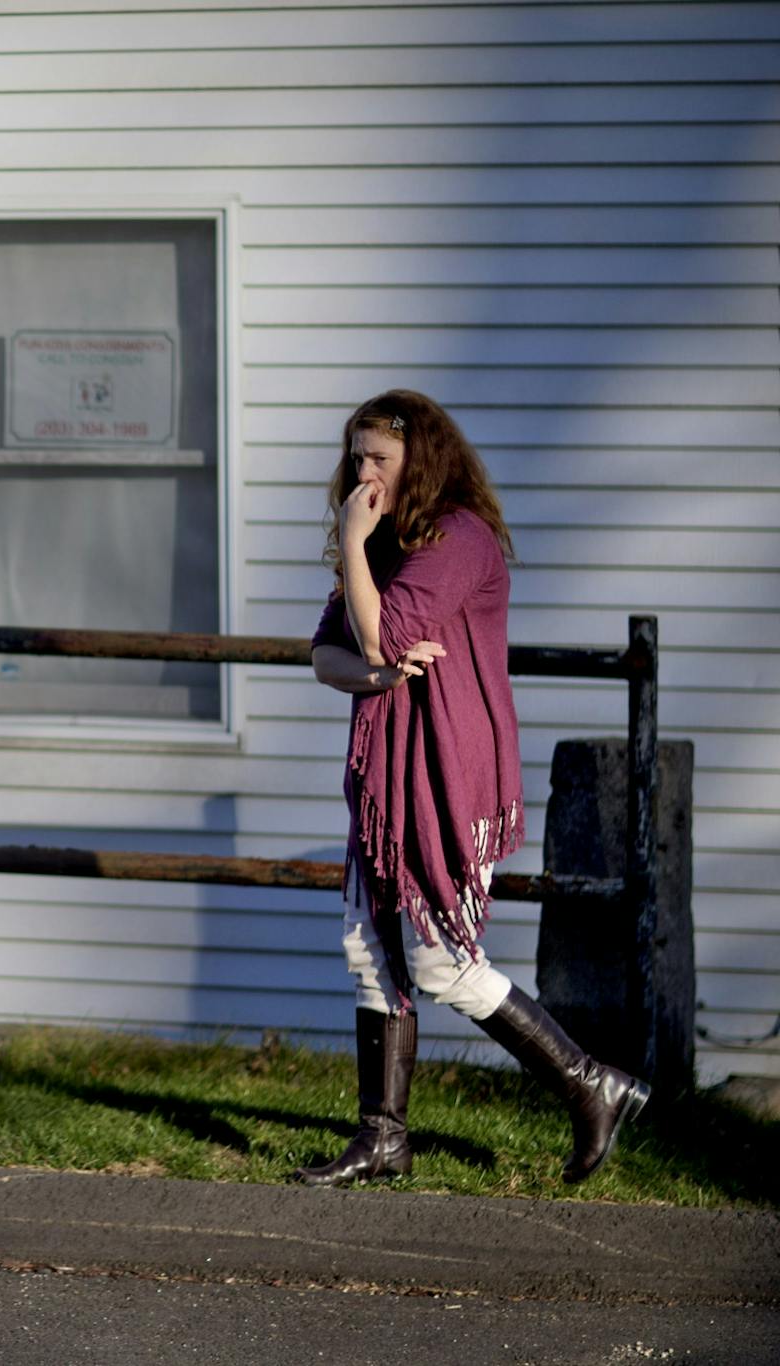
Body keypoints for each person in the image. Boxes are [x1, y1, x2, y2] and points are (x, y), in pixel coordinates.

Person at [296, 389, 649, 1188]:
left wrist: (356, 554)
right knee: (368, 951)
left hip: (446, 775)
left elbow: (377, 627)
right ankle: (382, 1137)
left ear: (421, 458)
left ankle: (590, 1083)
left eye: (377, 458)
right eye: (355, 458)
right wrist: (380, 669)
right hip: (385, 780)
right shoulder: (387, 543)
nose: (362, 474)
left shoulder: (459, 539)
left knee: (442, 963)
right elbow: (326, 654)